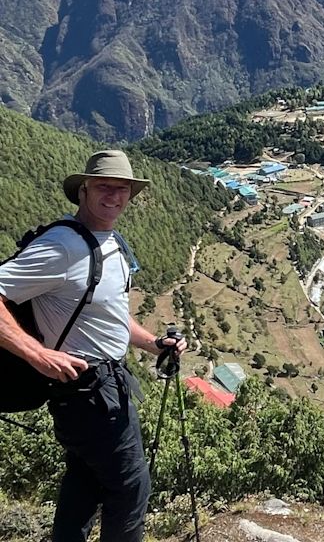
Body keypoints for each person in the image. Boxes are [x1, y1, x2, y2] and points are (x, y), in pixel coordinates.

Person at [0, 150, 187, 542]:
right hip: (87, 389)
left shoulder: (110, 242)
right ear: (83, 190)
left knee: (84, 484)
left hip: (103, 386)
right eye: (105, 186)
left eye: (123, 189)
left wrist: (156, 343)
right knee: (130, 488)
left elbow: (110, 317)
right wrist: (36, 353)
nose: (115, 196)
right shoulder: (63, 246)